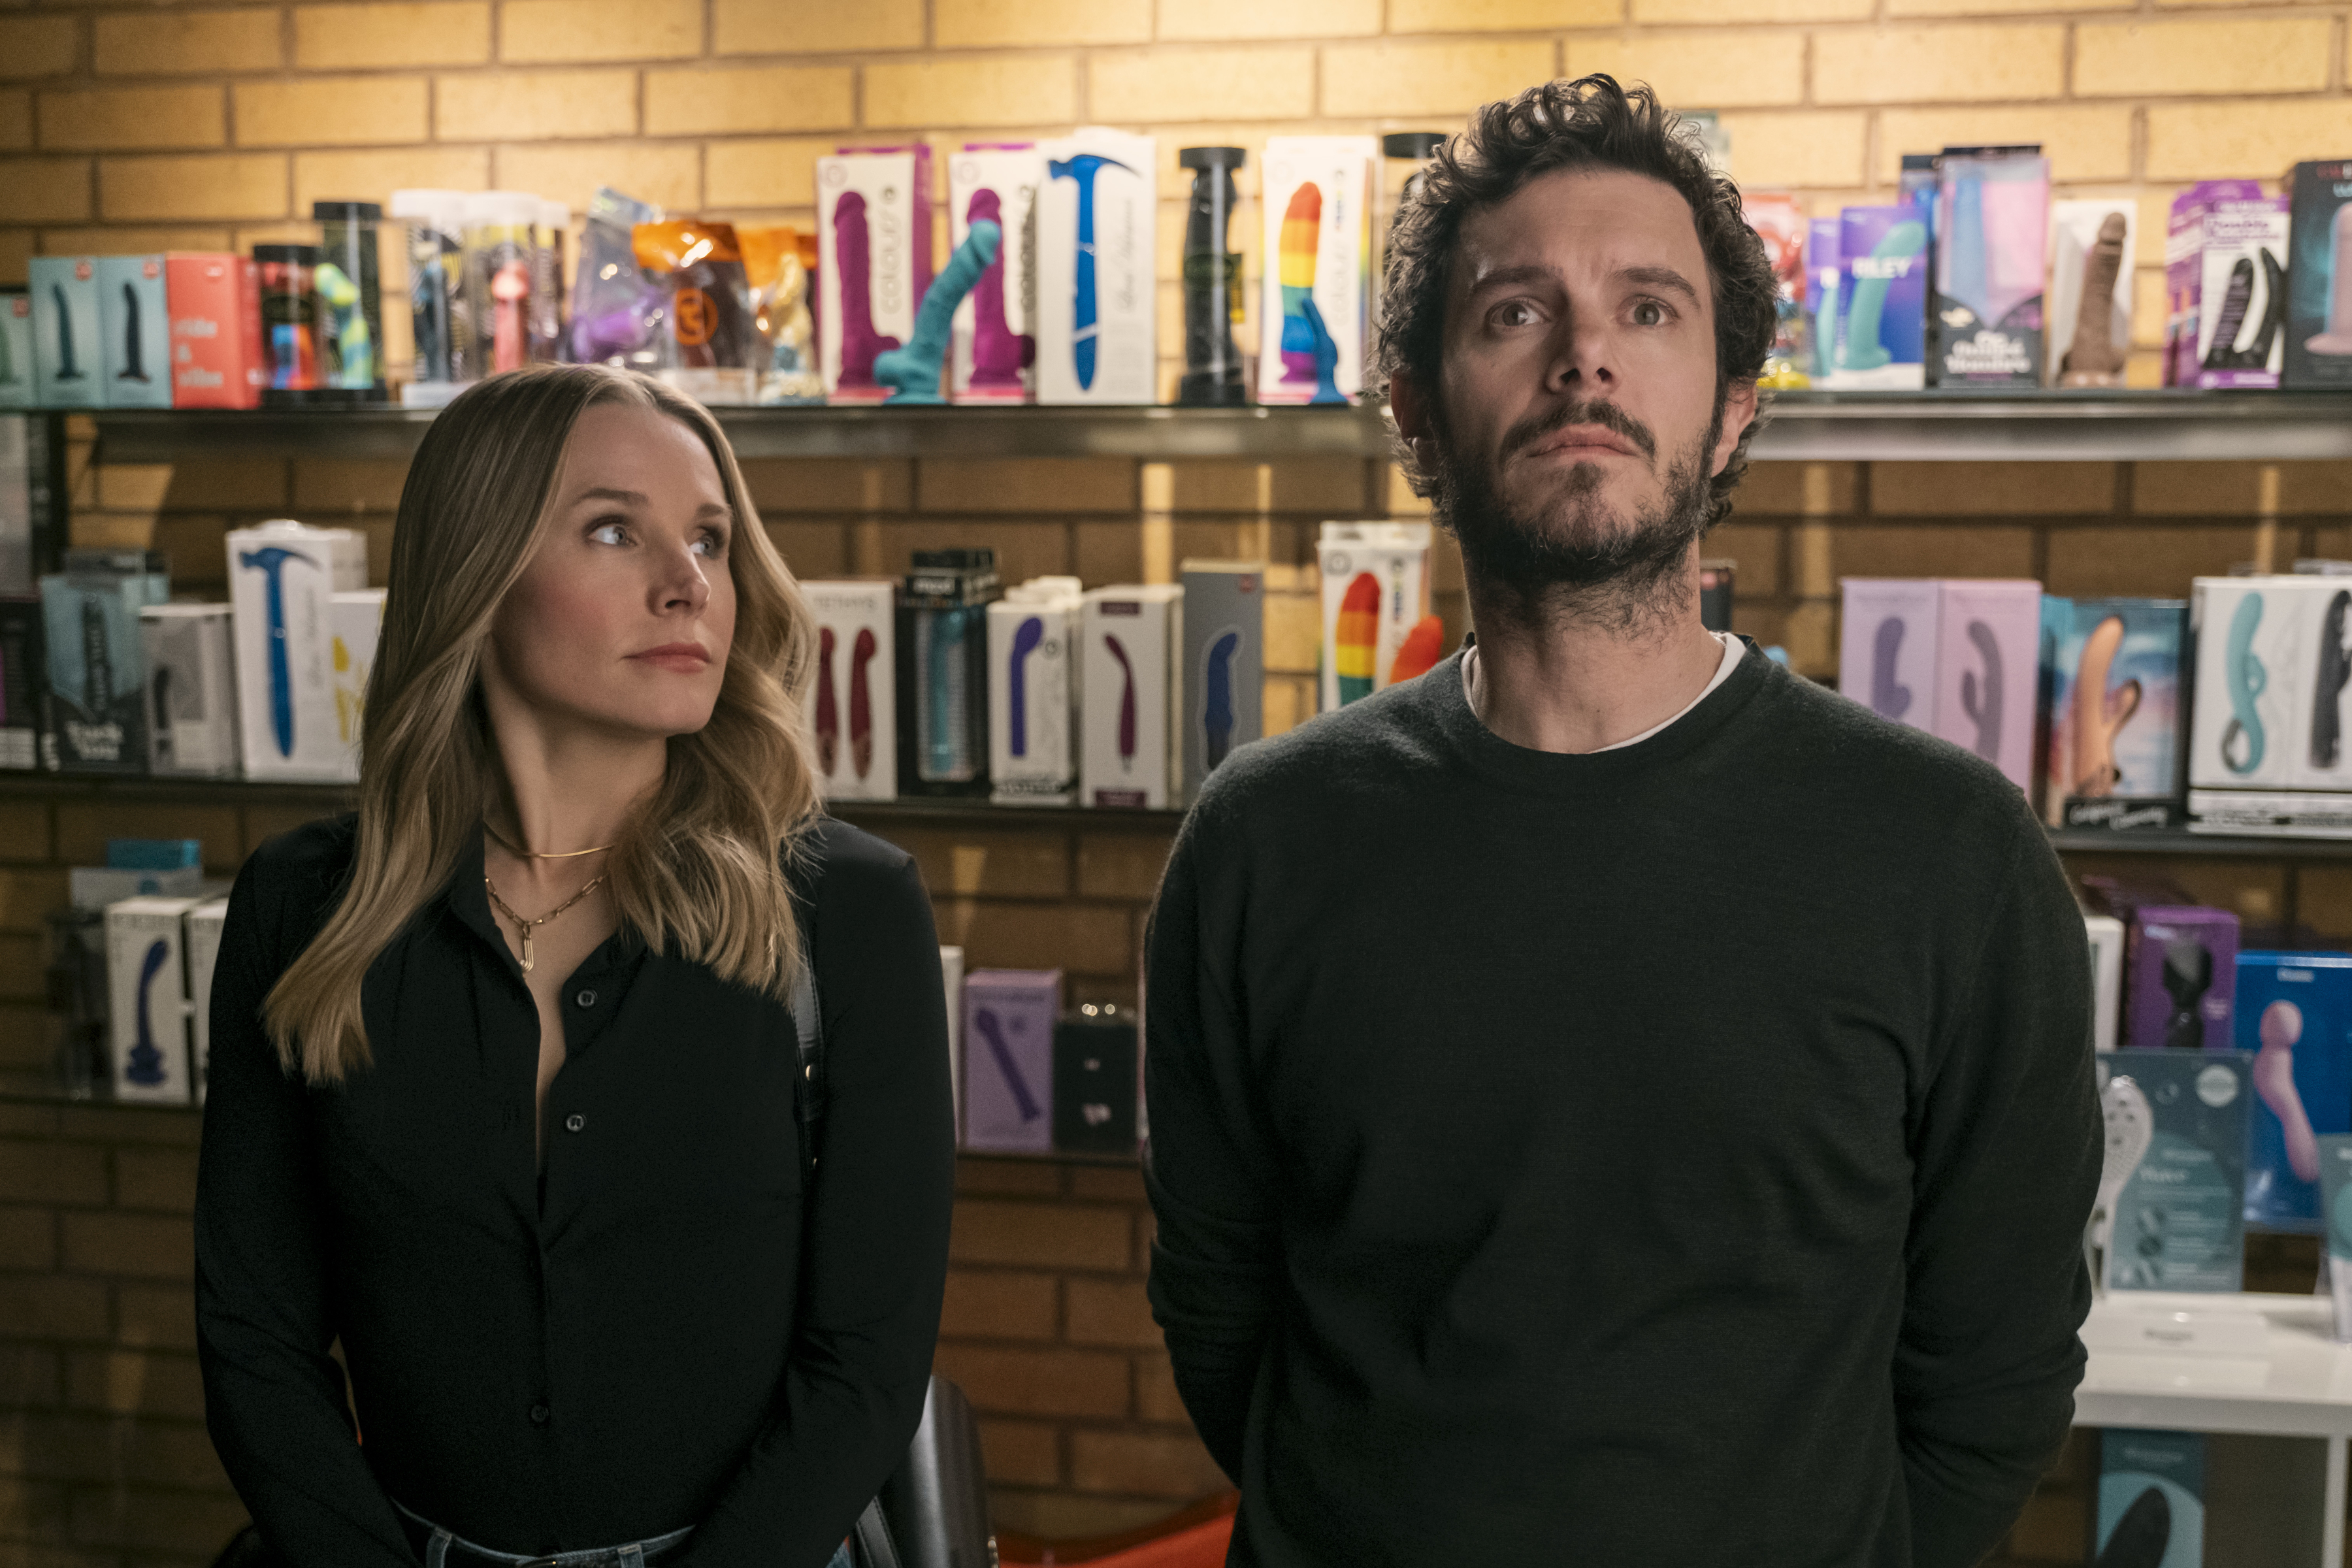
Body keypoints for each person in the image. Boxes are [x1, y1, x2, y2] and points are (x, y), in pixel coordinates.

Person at [1143, 76, 2100, 1568]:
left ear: (1728, 416)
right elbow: (1220, 1304)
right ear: (1417, 413)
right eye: (1517, 312)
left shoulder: (1947, 857)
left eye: (1649, 311)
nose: (1586, 358)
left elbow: (1999, 1369)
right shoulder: (1264, 843)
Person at [195, 365, 955, 1568]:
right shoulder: (305, 908)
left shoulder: (846, 912)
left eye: (709, 539)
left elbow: (864, 1365)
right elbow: (252, 1340)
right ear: (479, 570)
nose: (689, 584)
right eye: (616, 530)